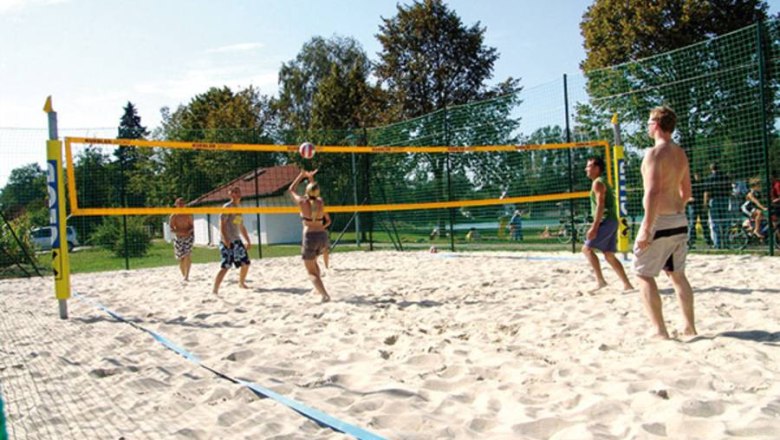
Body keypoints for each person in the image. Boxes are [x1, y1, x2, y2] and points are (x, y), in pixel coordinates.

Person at [634, 106, 696, 340]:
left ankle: (659, 330)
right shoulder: (680, 153)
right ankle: (689, 326)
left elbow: (652, 193)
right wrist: (677, 209)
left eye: (649, 122)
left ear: (657, 125)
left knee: (643, 275)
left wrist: (647, 229)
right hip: (679, 218)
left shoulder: (654, 153)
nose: (647, 125)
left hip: (658, 220)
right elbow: (687, 191)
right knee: (678, 275)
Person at [582, 156, 634, 293]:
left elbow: (600, 205)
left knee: (586, 249)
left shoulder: (598, 183)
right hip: (612, 220)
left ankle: (600, 281)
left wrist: (594, 226)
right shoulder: (602, 181)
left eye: (589, 166)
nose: (586, 169)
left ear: (597, 168)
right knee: (609, 255)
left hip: (605, 221)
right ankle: (627, 284)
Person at [288, 169, 332, 303]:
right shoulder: (320, 201)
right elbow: (314, 191)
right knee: (314, 263)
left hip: (310, 237)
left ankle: (325, 294)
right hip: (322, 236)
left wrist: (301, 176)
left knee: (310, 272)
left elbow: (291, 189)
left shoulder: (302, 202)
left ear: (306, 191)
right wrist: (311, 178)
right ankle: (318, 289)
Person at [212, 186, 251, 295]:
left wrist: (247, 240)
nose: (236, 194)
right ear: (230, 194)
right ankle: (215, 289)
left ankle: (241, 283)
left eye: (238, 192)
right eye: (234, 192)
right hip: (227, 241)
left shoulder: (238, 208)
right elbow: (222, 224)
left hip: (237, 240)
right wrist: (225, 239)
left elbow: (241, 226)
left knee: (245, 263)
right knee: (225, 266)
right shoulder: (227, 207)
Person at [702, 162, 732, 249]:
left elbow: (707, 192)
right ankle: (726, 242)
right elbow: (729, 189)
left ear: (711, 168)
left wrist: (705, 203)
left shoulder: (709, 178)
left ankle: (717, 244)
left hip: (714, 200)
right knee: (725, 221)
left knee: (715, 222)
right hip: (724, 199)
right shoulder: (725, 177)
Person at [169, 197, 194, 281]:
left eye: (182, 203)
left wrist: (188, 232)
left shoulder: (188, 214)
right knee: (181, 258)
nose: (180, 205)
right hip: (178, 238)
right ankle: (184, 275)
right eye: (179, 204)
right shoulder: (174, 216)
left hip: (188, 237)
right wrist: (179, 232)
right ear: (176, 205)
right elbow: (171, 228)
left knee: (188, 255)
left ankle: (187, 276)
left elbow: (192, 226)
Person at [687, 172, 709, 248]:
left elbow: (705, 193)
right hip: (693, 205)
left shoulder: (703, 183)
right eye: (696, 175)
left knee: (704, 223)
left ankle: (708, 240)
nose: (698, 177)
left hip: (700, 205)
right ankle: (691, 241)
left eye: (699, 175)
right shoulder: (691, 183)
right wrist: (689, 199)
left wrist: (705, 204)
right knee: (692, 223)